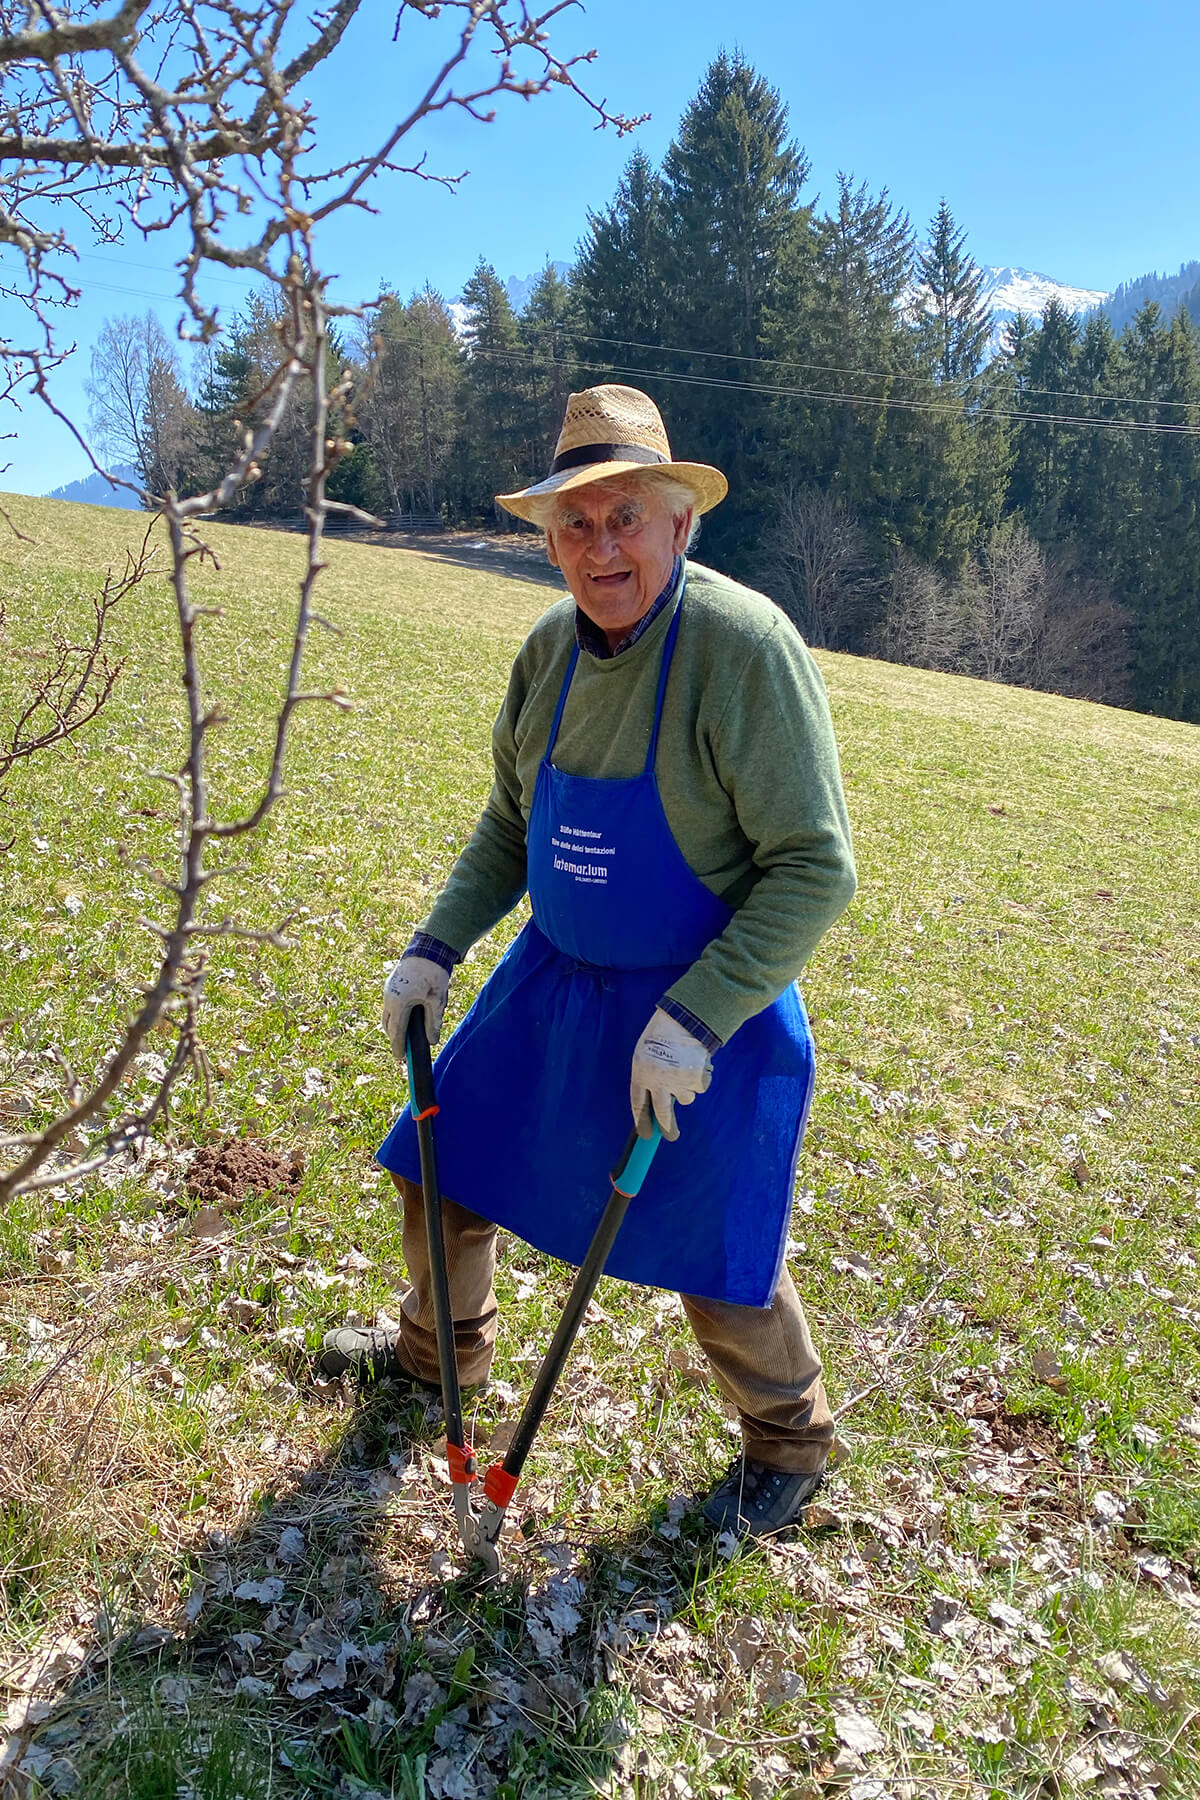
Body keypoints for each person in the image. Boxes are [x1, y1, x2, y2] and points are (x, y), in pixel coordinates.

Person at [320, 385, 857, 1536]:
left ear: (678, 523)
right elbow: (512, 825)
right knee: (440, 1163)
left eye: (625, 518)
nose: (599, 546)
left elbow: (816, 868)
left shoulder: (741, 649)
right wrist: (435, 947)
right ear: (548, 536)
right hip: (554, 977)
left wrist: (698, 1018)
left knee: (715, 1242)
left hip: (699, 1005)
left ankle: (792, 1440)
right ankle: (434, 1358)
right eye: (575, 522)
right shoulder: (548, 653)